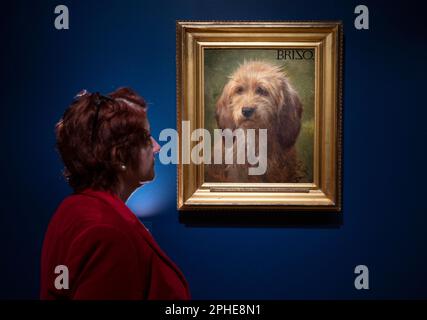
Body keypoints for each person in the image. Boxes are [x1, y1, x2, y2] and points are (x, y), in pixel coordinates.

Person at [40, 87, 190, 300]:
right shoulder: (108, 232)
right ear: (119, 156)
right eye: (147, 138)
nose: (157, 147)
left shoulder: (71, 210)